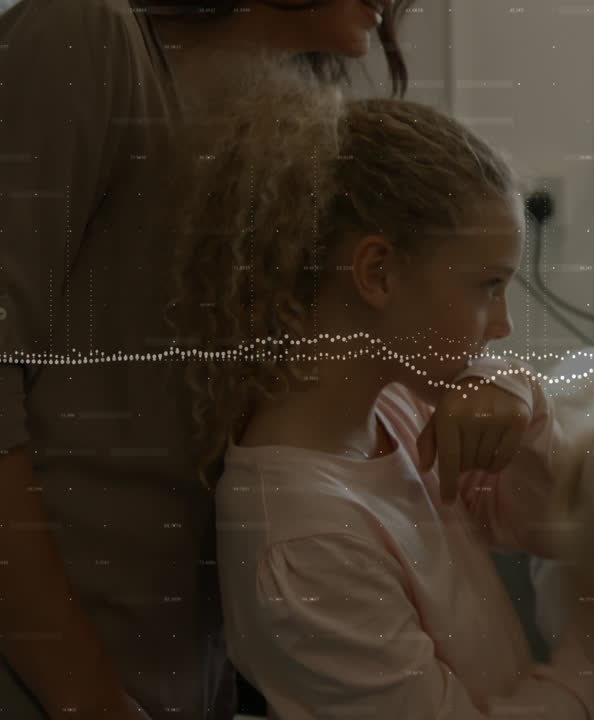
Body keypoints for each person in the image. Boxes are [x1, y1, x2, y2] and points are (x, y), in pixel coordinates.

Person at [0, 0, 412, 716]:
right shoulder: (84, 34)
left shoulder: (292, 116)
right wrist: (87, 695)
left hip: (179, 677)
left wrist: (491, 390)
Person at [168, 66, 594, 718]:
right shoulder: (305, 543)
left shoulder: (398, 411)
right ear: (378, 273)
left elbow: (559, 523)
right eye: (488, 286)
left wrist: (521, 401)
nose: (503, 325)